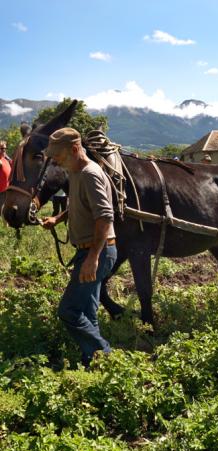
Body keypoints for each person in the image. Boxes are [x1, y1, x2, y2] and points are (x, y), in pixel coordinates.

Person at [42, 128, 117, 368]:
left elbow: (105, 217)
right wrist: (59, 218)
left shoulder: (89, 174)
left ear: (74, 149)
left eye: (59, 156)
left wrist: (93, 258)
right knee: (88, 310)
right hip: (90, 251)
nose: (56, 161)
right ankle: (91, 361)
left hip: (97, 251)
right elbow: (78, 204)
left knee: (69, 311)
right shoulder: (75, 172)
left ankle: (105, 354)